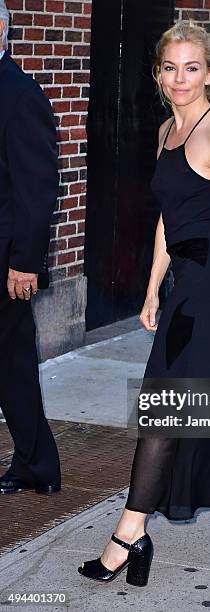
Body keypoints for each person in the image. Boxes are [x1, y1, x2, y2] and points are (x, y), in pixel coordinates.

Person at [79, 20, 210, 586]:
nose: (180, 78)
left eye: (192, 67)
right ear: (159, 74)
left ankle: (128, 536)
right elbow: (170, 217)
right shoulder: (170, 130)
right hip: (182, 285)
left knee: (164, 405)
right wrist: (151, 286)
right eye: (171, 68)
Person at [0, 1, 61, 494]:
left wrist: (25, 262)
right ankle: (37, 464)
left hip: (5, 262)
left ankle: (37, 464)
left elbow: (37, 188)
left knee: (13, 365)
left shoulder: (21, 95)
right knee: (13, 365)